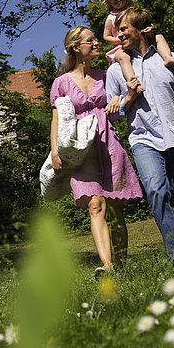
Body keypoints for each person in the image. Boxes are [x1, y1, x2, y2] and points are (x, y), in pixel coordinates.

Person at [105, 7, 174, 270]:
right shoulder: (116, 71)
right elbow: (112, 115)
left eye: (124, 29)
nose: (118, 35)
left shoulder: (171, 60)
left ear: (142, 29)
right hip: (143, 139)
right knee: (156, 191)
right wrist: (129, 97)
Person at [50, 25, 143, 275]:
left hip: (108, 144)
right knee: (95, 205)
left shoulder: (107, 75)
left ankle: (121, 266)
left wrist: (119, 99)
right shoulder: (61, 83)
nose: (95, 43)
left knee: (116, 211)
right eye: (90, 40)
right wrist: (55, 151)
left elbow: (127, 95)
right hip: (81, 151)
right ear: (75, 47)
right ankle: (109, 266)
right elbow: (57, 119)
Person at [102, 0, 174, 92]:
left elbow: (145, 25)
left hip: (139, 42)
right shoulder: (111, 18)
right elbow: (106, 37)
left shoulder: (134, 11)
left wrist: (150, 29)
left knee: (159, 37)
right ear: (108, 1)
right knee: (123, 57)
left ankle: (167, 57)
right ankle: (132, 81)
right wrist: (120, 40)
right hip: (121, 47)